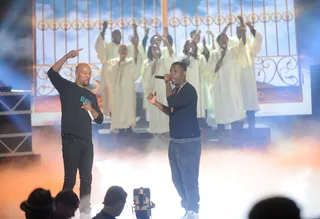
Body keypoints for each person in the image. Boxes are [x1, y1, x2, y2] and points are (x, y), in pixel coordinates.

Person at [47, 49, 104, 217]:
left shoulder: (90, 96)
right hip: (71, 141)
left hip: (87, 143)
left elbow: (99, 119)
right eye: (84, 73)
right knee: (70, 180)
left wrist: (91, 108)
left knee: (86, 180)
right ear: (77, 74)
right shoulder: (67, 88)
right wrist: (66, 57)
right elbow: (51, 73)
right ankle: (63, 211)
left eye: (89, 74)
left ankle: (85, 212)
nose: (87, 76)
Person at [147, 61, 201, 219]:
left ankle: (193, 210)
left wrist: (165, 82)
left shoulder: (188, 90)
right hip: (175, 141)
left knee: (189, 178)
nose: (172, 74)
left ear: (184, 73)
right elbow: (172, 111)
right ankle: (187, 206)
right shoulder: (177, 91)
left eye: (175, 71)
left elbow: (171, 102)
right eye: (171, 71)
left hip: (189, 143)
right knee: (177, 179)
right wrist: (155, 103)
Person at [206, 16, 247, 142]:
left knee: (234, 105)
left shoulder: (233, 51)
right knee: (222, 107)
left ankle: (237, 131)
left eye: (226, 38)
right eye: (222, 39)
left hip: (232, 84)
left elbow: (243, 43)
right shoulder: (214, 54)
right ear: (218, 41)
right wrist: (221, 57)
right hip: (220, 85)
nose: (225, 40)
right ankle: (221, 131)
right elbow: (212, 70)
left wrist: (242, 26)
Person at [228, 22, 263, 129]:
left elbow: (259, 40)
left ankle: (251, 121)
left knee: (249, 98)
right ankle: (237, 123)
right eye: (238, 30)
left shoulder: (250, 42)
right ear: (236, 31)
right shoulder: (231, 42)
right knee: (236, 98)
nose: (240, 31)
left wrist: (251, 28)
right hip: (235, 74)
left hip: (247, 75)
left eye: (242, 30)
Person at [107, 36, 142, 135]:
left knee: (128, 107)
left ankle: (129, 127)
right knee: (118, 107)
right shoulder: (113, 62)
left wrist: (135, 46)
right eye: (121, 49)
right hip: (117, 90)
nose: (123, 51)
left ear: (127, 52)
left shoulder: (130, 61)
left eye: (125, 49)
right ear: (118, 51)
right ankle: (118, 128)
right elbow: (110, 74)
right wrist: (119, 64)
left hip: (128, 89)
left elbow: (137, 61)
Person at [142, 37, 174, 135]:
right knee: (155, 110)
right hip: (153, 89)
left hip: (163, 89)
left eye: (157, 48)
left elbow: (172, 57)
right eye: (153, 48)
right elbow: (146, 76)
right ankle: (156, 133)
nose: (156, 50)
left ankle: (166, 131)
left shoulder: (164, 60)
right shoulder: (146, 62)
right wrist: (155, 61)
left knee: (164, 109)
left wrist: (166, 42)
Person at [95, 21, 122, 117]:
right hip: (109, 75)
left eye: (119, 35)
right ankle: (112, 113)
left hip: (120, 75)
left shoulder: (123, 48)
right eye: (115, 35)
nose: (118, 37)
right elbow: (100, 46)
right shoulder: (108, 46)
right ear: (112, 36)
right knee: (110, 95)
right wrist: (103, 30)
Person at [179, 40, 209, 123]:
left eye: (192, 45)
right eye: (188, 45)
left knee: (197, 105)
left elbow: (205, 70)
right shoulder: (182, 57)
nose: (190, 47)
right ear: (185, 47)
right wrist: (188, 56)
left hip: (197, 85)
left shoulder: (200, 57)